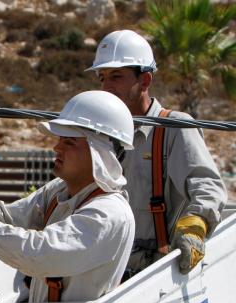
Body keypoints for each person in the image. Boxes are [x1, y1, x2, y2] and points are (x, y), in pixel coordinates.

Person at [0, 90, 135, 303]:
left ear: (100, 154)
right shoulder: (59, 191)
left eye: (69, 142)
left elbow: (38, 254)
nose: (56, 147)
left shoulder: (109, 214)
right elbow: (8, 217)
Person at [86, 30, 227, 275]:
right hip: (108, 269)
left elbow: (207, 186)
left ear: (145, 80)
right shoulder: (100, 135)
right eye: (102, 78)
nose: (106, 87)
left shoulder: (173, 128)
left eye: (116, 76)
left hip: (159, 274)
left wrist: (194, 226)